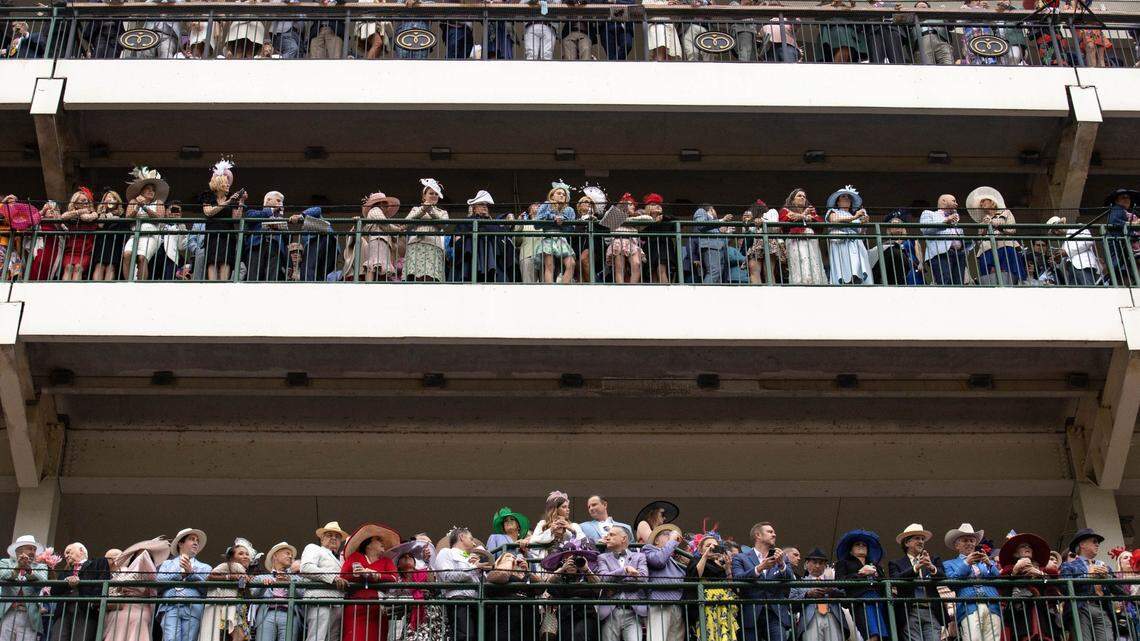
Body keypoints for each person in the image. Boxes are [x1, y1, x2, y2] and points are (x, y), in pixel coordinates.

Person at [732, 522, 796, 641]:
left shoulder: (781, 557)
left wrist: (781, 564)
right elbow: (737, 578)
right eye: (770, 532)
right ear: (758, 535)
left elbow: (790, 580)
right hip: (751, 614)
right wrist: (759, 568)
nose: (774, 534)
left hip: (775, 614)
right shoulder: (741, 557)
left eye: (774, 532)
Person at [1061, 528, 1128, 641]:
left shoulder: (1104, 567)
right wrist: (1088, 576)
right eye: (1094, 541)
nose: (1097, 544)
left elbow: (1122, 590)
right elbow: (1064, 587)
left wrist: (1107, 577)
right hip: (1081, 608)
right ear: (1082, 544)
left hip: (1102, 608)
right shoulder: (1069, 566)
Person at [941, 523, 1001, 641]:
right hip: (968, 606)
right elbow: (951, 582)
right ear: (957, 545)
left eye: (972, 540)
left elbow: (999, 579)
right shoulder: (948, 564)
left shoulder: (986, 562)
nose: (969, 543)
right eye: (965, 540)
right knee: (973, 638)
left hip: (991, 605)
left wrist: (989, 563)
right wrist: (966, 563)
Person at [341, 524, 400, 641]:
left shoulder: (386, 561)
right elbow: (343, 577)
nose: (382, 542)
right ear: (368, 544)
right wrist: (359, 575)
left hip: (378, 610)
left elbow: (394, 578)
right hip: (355, 607)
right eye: (378, 540)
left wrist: (376, 576)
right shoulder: (355, 557)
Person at [106, 538, 171, 641]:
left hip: (140, 612)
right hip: (122, 609)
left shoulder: (152, 575)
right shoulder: (124, 571)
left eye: (146, 556)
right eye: (139, 555)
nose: (142, 558)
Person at [998, 533, 1060, 641]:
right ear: (1015, 554)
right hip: (1021, 615)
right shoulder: (1009, 570)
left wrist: (1039, 575)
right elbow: (1003, 590)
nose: (1027, 548)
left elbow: (1053, 589)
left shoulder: (1043, 570)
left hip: (1043, 615)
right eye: (1023, 546)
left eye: (1029, 546)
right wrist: (1015, 573)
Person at [886, 524, 943, 641]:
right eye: (917, 538)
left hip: (931, 611)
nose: (921, 542)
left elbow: (943, 576)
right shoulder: (896, 563)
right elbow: (896, 580)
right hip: (909, 612)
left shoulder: (933, 560)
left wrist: (931, 567)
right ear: (907, 543)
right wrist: (916, 567)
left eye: (922, 539)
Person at [435, 527, 492, 641]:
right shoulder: (446, 552)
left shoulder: (472, 558)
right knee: (464, 636)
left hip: (479, 602)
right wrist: (474, 568)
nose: (474, 543)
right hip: (459, 600)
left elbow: (484, 583)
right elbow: (447, 577)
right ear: (461, 537)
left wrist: (482, 570)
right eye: (471, 538)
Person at [156, 529, 212, 641]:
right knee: (170, 639)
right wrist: (180, 575)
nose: (196, 542)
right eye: (191, 539)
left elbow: (207, 588)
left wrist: (191, 574)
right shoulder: (167, 564)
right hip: (170, 606)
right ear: (180, 543)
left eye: (197, 540)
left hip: (193, 608)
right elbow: (159, 581)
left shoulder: (205, 567)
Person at [541, 539, 602, 641]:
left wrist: (586, 569)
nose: (571, 564)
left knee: (580, 635)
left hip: (585, 615)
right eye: (567, 560)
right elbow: (546, 585)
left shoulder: (586, 574)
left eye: (574, 560)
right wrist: (562, 569)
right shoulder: (558, 576)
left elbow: (598, 587)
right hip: (564, 616)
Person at [48, 542, 111, 641]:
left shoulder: (97, 563)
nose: (66, 556)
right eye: (65, 555)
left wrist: (79, 583)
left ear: (81, 550)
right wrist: (66, 582)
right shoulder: (65, 573)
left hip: (86, 610)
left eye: (69, 552)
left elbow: (102, 585)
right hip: (64, 611)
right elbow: (53, 591)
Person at [834, 529, 888, 641]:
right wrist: (861, 573)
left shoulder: (876, 566)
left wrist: (877, 575)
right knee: (872, 634)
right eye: (857, 544)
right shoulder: (844, 563)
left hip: (880, 601)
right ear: (850, 550)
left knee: (883, 636)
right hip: (860, 602)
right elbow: (839, 582)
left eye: (864, 545)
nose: (861, 546)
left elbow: (885, 583)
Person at [595, 524, 647, 641]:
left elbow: (643, 578)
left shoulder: (639, 557)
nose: (607, 538)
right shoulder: (602, 557)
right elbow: (603, 579)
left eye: (612, 535)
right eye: (607, 535)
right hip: (611, 611)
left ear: (623, 538)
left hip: (633, 612)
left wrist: (614, 581)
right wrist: (625, 570)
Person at [300, 522, 351, 641]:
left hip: (338, 604)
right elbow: (306, 568)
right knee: (317, 637)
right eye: (329, 535)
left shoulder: (342, 559)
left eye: (337, 536)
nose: (334, 538)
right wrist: (332, 578)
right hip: (320, 600)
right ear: (322, 538)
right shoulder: (314, 548)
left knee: (333, 638)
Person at [686, 528, 738, 641]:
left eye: (715, 546)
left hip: (723, 604)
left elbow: (730, 586)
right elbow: (695, 576)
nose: (712, 548)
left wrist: (728, 568)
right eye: (708, 545)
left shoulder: (720, 565)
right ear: (700, 550)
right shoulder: (696, 560)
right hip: (705, 605)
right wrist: (705, 556)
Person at [967, 186, 1024, 285]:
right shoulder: (982, 221)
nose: (981, 204)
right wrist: (985, 226)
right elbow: (980, 240)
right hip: (987, 249)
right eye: (980, 203)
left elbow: (1012, 230)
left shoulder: (1006, 212)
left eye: (983, 201)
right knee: (990, 276)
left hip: (1006, 245)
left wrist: (997, 226)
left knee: (1010, 273)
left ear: (992, 202)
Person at [199, 542, 253, 641]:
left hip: (235, 607)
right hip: (226, 607)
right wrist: (231, 576)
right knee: (239, 636)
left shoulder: (241, 570)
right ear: (232, 558)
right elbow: (210, 576)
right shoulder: (228, 565)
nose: (245, 556)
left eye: (247, 554)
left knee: (240, 637)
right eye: (240, 554)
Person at [791, 547, 849, 641]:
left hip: (832, 616)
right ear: (806, 564)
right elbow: (791, 604)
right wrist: (808, 595)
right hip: (811, 619)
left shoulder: (833, 581)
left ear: (825, 565)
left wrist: (832, 591)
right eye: (814, 562)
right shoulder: (799, 583)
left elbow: (846, 596)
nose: (817, 566)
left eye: (821, 563)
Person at [201, 159, 245, 282]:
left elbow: (236, 218)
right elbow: (208, 212)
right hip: (213, 233)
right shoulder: (208, 196)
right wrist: (228, 202)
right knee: (212, 261)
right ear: (219, 184)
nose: (228, 186)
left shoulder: (231, 198)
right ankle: (212, 284)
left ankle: (223, 284)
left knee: (225, 260)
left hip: (227, 234)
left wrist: (241, 202)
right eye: (226, 183)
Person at [643, 524, 687, 641]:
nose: (671, 537)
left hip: (678, 604)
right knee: (657, 638)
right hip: (660, 602)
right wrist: (672, 542)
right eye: (667, 534)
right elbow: (659, 561)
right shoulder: (648, 549)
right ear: (656, 540)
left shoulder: (675, 558)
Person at [252, 542, 303, 641]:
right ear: (275, 555)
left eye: (291, 555)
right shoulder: (261, 577)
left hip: (290, 614)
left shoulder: (296, 578)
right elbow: (254, 594)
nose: (290, 556)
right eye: (287, 553)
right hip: (267, 614)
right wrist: (263, 585)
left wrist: (290, 584)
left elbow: (303, 595)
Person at [0, 535, 48, 641]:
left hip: (29, 616)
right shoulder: (5, 563)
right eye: (30, 548)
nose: (33, 552)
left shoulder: (41, 567)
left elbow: (43, 581)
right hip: (8, 613)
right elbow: (2, 575)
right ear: (19, 550)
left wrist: (28, 569)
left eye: (34, 549)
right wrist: (17, 568)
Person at [485, 552, 541, 641]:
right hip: (505, 628)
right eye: (508, 557)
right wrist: (509, 561)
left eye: (514, 557)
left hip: (527, 630)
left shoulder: (526, 577)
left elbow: (541, 588)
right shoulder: (493, 574)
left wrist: (528, 571)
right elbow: (502, 575)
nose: (514, 559)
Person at [824, 186, 873, 285]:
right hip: (841, 243)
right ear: (838, 202)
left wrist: (864, 223)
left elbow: (861, 233)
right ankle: (845, 280)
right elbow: (834, 220)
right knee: (844, 264)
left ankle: (857, 278)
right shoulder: (833, 212)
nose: (846, 199)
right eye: (843, 197)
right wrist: (855, 217)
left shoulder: (855, 216)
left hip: (856, 244)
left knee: (857, 263)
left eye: (848, 197)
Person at [778, 188, 827, 285]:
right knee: (800, 263)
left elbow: (820, 222)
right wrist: (805, 215)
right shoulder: (785, 210)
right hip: (795, 241)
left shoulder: (811, 211)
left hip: (811, 242)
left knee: (813, 263)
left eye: (804, 196)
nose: (802, 198)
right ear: (792, 200)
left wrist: (804, 216)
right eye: (799, 196)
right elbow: (784, 221)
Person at [405, 178, 449, 282]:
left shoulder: (442, 212)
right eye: (431, 193)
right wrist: (423, 209)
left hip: (433, 246)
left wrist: (431, 210)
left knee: (431, 276)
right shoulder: (416, 209)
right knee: (416, 276)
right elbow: (406, 223)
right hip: (416, 244)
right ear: (424, 196)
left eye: (436, 194)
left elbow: (444, 224)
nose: (434, 196)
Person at [528, 491, 587, 565]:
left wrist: (570, 530)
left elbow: (584, 542)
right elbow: (533, 541)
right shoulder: (543, 523)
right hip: (546, 563)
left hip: (568, 563)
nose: (568, 509)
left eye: (568, 507)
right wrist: (551, 530)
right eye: (564, 507)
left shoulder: (574, 526)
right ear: (555, 509)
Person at [535, 182, 578, 284]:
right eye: (559, 193)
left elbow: (571, 228)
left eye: (564, 194)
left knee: (571, 264)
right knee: (550, 266)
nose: (562, 195)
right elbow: (537, 224)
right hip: (549, 237)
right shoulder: (546, 205)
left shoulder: (569, 210)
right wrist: (552, 217)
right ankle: (551, 290)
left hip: (562, 238)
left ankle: (562, 288)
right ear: (552, 195)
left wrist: (563, 222)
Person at [920, 195, 966, 285]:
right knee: (945, 281)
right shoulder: (929, 213)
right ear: (944, 201)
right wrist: (945, 221)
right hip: (941, 254)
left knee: (959, 283)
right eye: (954, 201)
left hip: (959, 254)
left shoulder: (955, 218)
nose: (956, 204)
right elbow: (925, 229)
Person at [1044, 216, 1101, 286]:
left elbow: (1088, 241)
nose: (1056, 232)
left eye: (1056, 228)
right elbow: (1065, 257)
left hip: (1083, 266)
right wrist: (1058, 260)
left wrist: (1066, 252)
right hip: (1070, 270)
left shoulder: (1078, 227)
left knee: (1088, 289)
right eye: (1054, 231)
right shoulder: (1064, 243)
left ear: (1062, 223)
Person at [603, 193, 647, 284]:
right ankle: (621, 289)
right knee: (620, 267)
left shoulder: (636, 219)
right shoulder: (614, 216)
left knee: (637, 264)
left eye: (633, 205)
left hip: (632, 244)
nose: (633, 207)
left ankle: (632, 287)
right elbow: (606, 216)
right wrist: (621, 214)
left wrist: (631, 217)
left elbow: (648, 218)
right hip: (619, 241)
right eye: (630, 204)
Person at [60, 188, 99, 281]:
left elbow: (87, 218)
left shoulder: (93, 213)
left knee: (78, 268)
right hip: (71, 250)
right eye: (82, 200)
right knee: (68, 268)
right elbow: (63, 216)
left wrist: (80, 213)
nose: (86, 202)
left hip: (85, 250)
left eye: (87, 200)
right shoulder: (71, 214)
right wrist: (79, 212)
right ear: (75, 203)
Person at [877, 212, 924, 285]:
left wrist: (920, 264)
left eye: (899, 223)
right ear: (889, 229)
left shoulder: (912, 240)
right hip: (896, 271)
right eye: (894, 224)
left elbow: (918, 254)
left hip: (912, 269)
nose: (897, 226)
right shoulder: (885, 244)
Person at [1104, 188, 1139, 286]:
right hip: (1116, 242)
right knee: (1117, 266)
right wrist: (1132, 224)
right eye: (1123, 198)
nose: (1127, 200)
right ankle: (1107, 281)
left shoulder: (1124, 211)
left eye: (1128, 198)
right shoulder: (1117, 209)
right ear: (1116, 200)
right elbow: (1114, 222)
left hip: (1121, 244)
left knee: (1120, 267)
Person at [90, 190, 126, 281]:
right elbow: (99, 226)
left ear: (118, 202)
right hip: (101, 243)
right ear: (104, 201)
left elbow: (123, 230)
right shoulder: (98, 214)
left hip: (114, 244)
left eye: (114, 198)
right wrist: (103, 213)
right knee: (99, 266)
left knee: (111, 267)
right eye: (108, 197)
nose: (111, 199)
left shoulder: (122, 215)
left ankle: (107, 292)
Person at [693, 205, 729, 284]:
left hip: (719, 247)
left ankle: (714, 294)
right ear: (711, 209)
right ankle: (704, 293)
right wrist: (722, 220)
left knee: (719, 274)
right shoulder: (701, 211)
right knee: (714, 271)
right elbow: (701, 225)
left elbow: (713, 231)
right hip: (710, 246)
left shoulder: (713, 221)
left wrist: (724, 231)